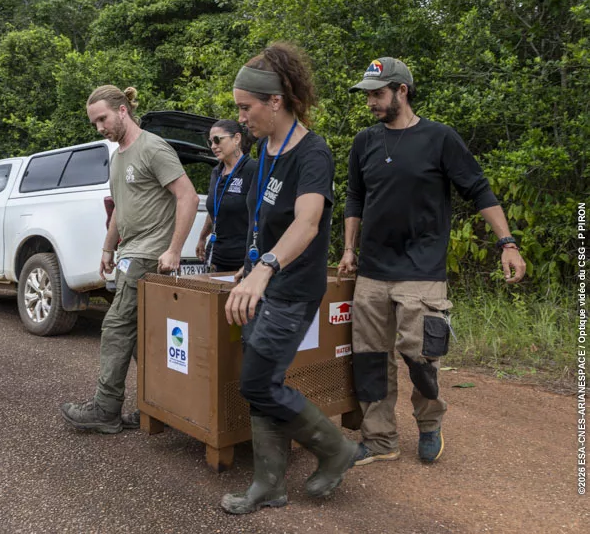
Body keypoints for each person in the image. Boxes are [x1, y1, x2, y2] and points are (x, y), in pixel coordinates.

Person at [339, 57, 526, 466]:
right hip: (372, 269)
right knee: (370, 358)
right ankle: (380, 440)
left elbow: (478, 189)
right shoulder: (364, 142)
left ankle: (428, 424)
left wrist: (507, 243)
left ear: (401, 91)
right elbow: (355, 198)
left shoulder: (439, 138)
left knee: (420, 356)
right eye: (368, 94)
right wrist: (349, 250)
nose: (370, 101)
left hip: (421, 270)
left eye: (377, 93)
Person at [220, 43, 357, 515]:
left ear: (275, 102)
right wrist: (248, 262)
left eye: (245, 108)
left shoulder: (313, 154)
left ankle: (336, 449)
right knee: (263, 378)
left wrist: (265, 269)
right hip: (263, 281)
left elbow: (307, 223)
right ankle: (269, 486)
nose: (240, 119)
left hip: (291, 287)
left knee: (258, 383)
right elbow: (265, 219)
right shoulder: (264, 148)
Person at [60, 85, 199, 433]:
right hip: (128, 254)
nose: (99, 128)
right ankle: (164, 405)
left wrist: (174, 248)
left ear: (123, 111)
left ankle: (106, 410)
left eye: (103, 119)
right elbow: (121, 209)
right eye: (94, 123)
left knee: (115, 328)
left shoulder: (153, 148)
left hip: (149, 256)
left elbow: (188, 197)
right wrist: (108, 248)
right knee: (142, 338)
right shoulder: (118, 156)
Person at [195, 120, 257, 272]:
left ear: (236, 138)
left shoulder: (252, 169)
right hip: (217, 257)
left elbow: (265, 217)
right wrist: (202, 237)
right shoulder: (217, 171)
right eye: (210, 142)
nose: (213, 146)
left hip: (244, 259)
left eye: (217, 140)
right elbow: (215, 208)